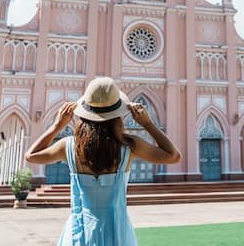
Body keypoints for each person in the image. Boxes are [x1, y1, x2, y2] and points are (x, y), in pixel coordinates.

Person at [26, 77, 181, 245]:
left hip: (78, 235)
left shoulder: (69, 146)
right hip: (117, 235)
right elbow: (173, 156)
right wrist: (148, 124)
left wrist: (57, 126)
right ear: (117, 115)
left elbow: (31, 155)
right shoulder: (129, 146)